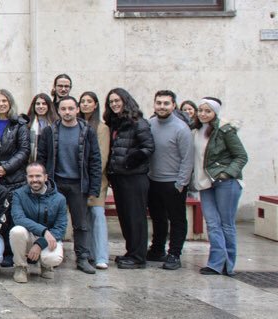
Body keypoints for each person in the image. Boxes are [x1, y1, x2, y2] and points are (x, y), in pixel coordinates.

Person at [34, 96, 102, 275]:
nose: (67, 112)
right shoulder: (50, 131)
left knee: (81, 223)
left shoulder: (87, 131)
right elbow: (41, 157)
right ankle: (49, 256)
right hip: (55, 184)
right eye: (63, 109)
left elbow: (95, 159)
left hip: (78, 184)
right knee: (50, 220)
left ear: (77, 109)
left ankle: (82, 258)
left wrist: (94, 187)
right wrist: (42, 181)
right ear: (58, 111)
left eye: (71, 108)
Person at [192, 98, 247, 276]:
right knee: (213, 224)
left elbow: (241, 156)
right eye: (200, 110)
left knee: (226, 224)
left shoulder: (225, 130)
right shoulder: (196, 130)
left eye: (207, 111)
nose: (203, 114)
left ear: (215, 112)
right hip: (205, 182)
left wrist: (226, 173)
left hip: (225, 182)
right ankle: (216, 263)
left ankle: (227, 265)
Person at [104, 87, 155, 269]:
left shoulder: (138, 122)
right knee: (125, 217)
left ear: (126, 101)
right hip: (119, 177)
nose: (115, 104)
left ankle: (138, 257)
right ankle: (131, 252)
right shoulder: (115, 123)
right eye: (111, 102)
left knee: (136, 217)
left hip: (133, 177)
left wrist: (129, 161)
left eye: (117, 101)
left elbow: (148, 147)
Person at [145, 90, 195, 271]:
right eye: (159, 103)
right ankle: (157, 249)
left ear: (173, 105)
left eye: (166, 103)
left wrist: (181, 183)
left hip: (173, 182)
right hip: (153, 180)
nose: (162, 106)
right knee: (157, 218)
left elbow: (188, 158)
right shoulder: (150, 124)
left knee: (177, 219)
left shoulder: (182, 128)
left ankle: (174, 253)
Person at [9, 163, 67, 283]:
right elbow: (18, 218)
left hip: (49, 238)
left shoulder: (59, 199)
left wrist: (40, 243)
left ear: (45, 177)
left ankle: (46, 266)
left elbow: (60, 228)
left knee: (54, 258)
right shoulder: (18, 194)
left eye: (38, 176)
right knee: (16, 231)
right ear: (26, 178)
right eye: (31, 176)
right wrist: (43, 231)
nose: (34, 180)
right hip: (29, 235)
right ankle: (20, 267)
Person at [79, 91, 111, 269]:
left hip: (96, 180)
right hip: (78, 180)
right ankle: (87, 253)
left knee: (97, 215)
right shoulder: (77, 125)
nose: (85, 104)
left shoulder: (101, 128)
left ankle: (101, 256)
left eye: (88, 101)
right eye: (82, 101)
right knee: (83, 218)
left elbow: (102, 158)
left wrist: (94, 180)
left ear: (96, 104)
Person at [27, 93, 58, 162]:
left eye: (44, 104)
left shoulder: (56, 124)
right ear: (33, 106)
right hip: (32, 162)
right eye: (38, 104)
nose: (41, 106)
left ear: (49, 106)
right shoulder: (27, 123)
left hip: (50, 161)